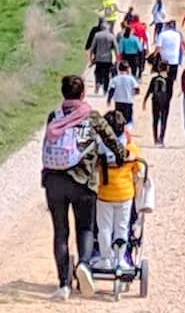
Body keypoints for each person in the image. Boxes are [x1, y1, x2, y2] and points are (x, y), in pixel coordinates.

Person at [42, 75, 126, 300]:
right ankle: (84, 266)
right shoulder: (92, 116)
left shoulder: (54, 116)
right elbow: (112, 140)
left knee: (60, 232)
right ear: (82, 94)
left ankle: (63, 284)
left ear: (63, 94)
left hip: (54, 181)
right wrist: (121, 157)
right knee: (85, 229)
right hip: (83, 181)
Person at [93, 111, 142, 270]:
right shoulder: (130, 148)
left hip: (105, 194)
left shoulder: (99, 149)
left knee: (104, 228)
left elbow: (94, 168)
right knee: (122, 227)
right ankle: (120, 259)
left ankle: (105, 258)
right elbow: (138, 171)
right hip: (125, 194)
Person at [144, 63, 171, 147]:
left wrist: (144, 101)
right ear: (167, 69)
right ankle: (161, 139)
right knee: (164, 120)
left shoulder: (154, 79)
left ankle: (155, 139)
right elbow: (170, 94)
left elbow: (149, 90)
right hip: (165, 103)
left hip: (155, 101)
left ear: (159, 68)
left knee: (155, 120)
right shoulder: (169, 80)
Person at [107, 60, 140, 126]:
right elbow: (137, 90)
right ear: (128, 69)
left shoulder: (115, 79)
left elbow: (112, 90)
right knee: (128, 119)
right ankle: (127, 131)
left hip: (118, 102)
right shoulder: (131, 79)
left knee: (119, 119)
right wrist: (133, 93)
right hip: (128, 101)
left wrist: (109, 99)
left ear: (119, 69)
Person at [89, 24, 117, 95]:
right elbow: (116, 48)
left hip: (99, 58)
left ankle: (98, 83)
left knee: (97, 72)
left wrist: (91, 58)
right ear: (108, 28)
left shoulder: (97, 35)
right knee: (107, 75)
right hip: (108, 59)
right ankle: (105, 90)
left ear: (101, 28)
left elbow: (92, 47)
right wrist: (117, 59)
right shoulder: (111, 36)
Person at [157, 20, 183, 95]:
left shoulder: (162, 34)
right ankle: (169, 95)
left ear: (167, 26)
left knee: (161, 77)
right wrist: (180, 60)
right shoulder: (178, 35)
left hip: (164, 60)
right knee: (171, 81)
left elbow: (158, 47)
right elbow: (180, 48)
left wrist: (155, 55)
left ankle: (161, 93)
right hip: (174, 60)